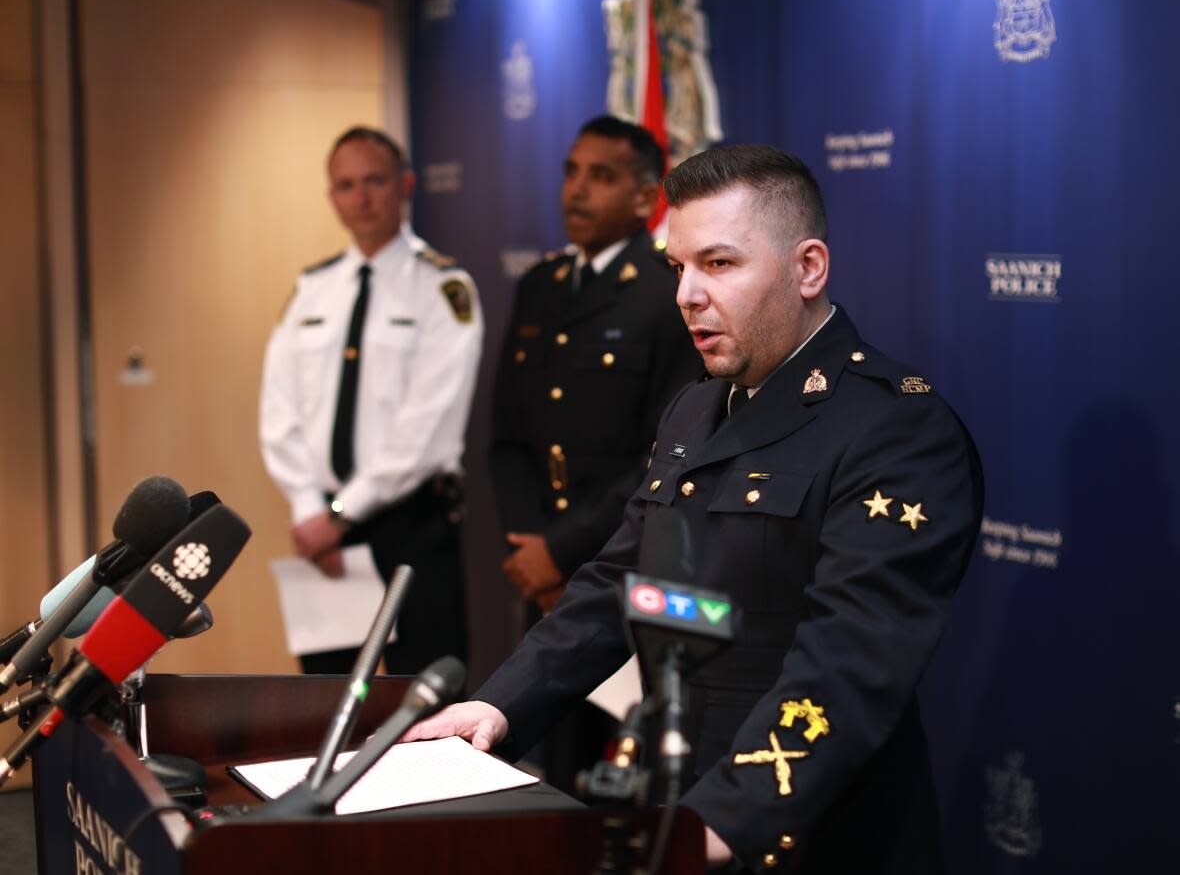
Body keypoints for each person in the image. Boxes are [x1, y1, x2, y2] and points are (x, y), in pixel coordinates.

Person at [405, 144, 984, 872]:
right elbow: (623, 581)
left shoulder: (895, 430)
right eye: (677, 267)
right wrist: (498, 706)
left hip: (803, 833)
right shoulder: (696, 408)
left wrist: (718, 823)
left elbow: (848, 662)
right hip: (674, 803)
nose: (686, 295)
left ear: (808, 268)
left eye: (719, 264)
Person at [489, 115, 701, 793]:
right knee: (552, 768)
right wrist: (531, 546)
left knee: (623, 781)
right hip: (543, 576)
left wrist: (561, 548)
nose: (577, 191)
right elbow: (509, 437)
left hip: (627, 571)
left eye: (601, 176)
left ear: (646, 199)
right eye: (571, 172)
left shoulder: (667, 291)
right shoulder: (542, 284)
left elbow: (665, 451)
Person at [260, 126, 482, 677]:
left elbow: (429, 424)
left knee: (424, 702)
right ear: (332, 196)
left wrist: (341, 514)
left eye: (375, 181)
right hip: (323, 530)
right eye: (346, 185)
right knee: (324, 702)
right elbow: (278, 406)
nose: (361, 198)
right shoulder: (313, 287)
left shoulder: (443, 286)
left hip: (411, 524)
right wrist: (311, 509)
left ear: (406, 185)